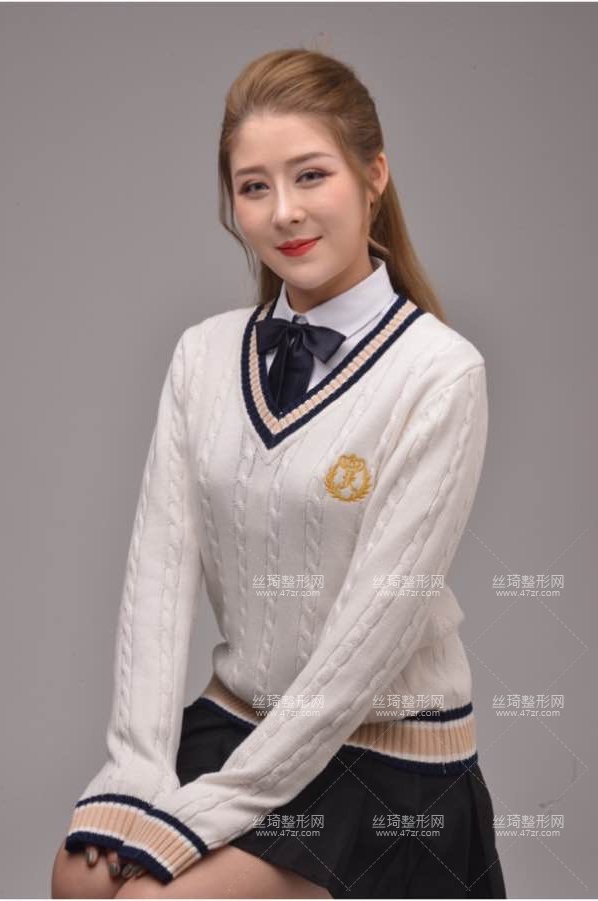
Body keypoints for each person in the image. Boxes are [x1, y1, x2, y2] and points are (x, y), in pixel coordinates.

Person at [51, 46, 507, 900]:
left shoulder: (441, 374)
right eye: (254, 186)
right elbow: (158, 579)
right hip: (238, 718)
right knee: (79, 879)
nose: (285, 211)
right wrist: (135, 768)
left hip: (380, 752)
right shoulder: (202, 354)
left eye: (311, 175)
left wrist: (209, 809)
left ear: (374, 176)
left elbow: (370, 640)